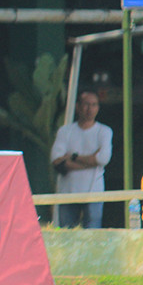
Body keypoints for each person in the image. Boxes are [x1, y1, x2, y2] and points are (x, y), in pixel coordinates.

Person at [50, 89, 112, 228]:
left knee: (93, 234)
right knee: (67, 235)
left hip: (94, 193)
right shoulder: (65, 131)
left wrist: (72, 157)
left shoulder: (104, 131)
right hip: (68, 193)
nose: (90, 109)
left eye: (94, 105)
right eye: (86, 104)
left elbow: (103, 159)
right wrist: (91, 161)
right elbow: (56, 159)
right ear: (78, 106)